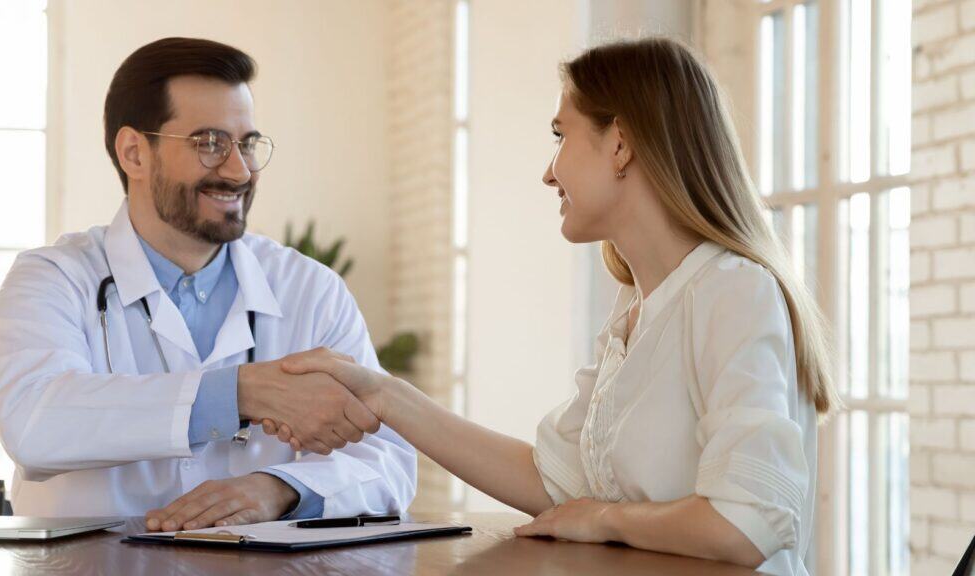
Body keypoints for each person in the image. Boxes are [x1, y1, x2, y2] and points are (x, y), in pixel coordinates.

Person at [266, 38, 836, 576]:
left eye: (560, 135)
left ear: (621, 143)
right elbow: (554, 481)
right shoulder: (638, 307)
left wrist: (604, 520)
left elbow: (746, 523)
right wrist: (382, 393)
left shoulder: (733, 290)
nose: (548, 171)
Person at [0, 37, 415, 530]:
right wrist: (240, 394)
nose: (239, 169)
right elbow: (34, 422)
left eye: (247, 143)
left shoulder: (309, 289)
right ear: (134, 153)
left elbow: (388, 462)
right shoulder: (54, 278)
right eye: (209, 143)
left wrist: (281, 488)